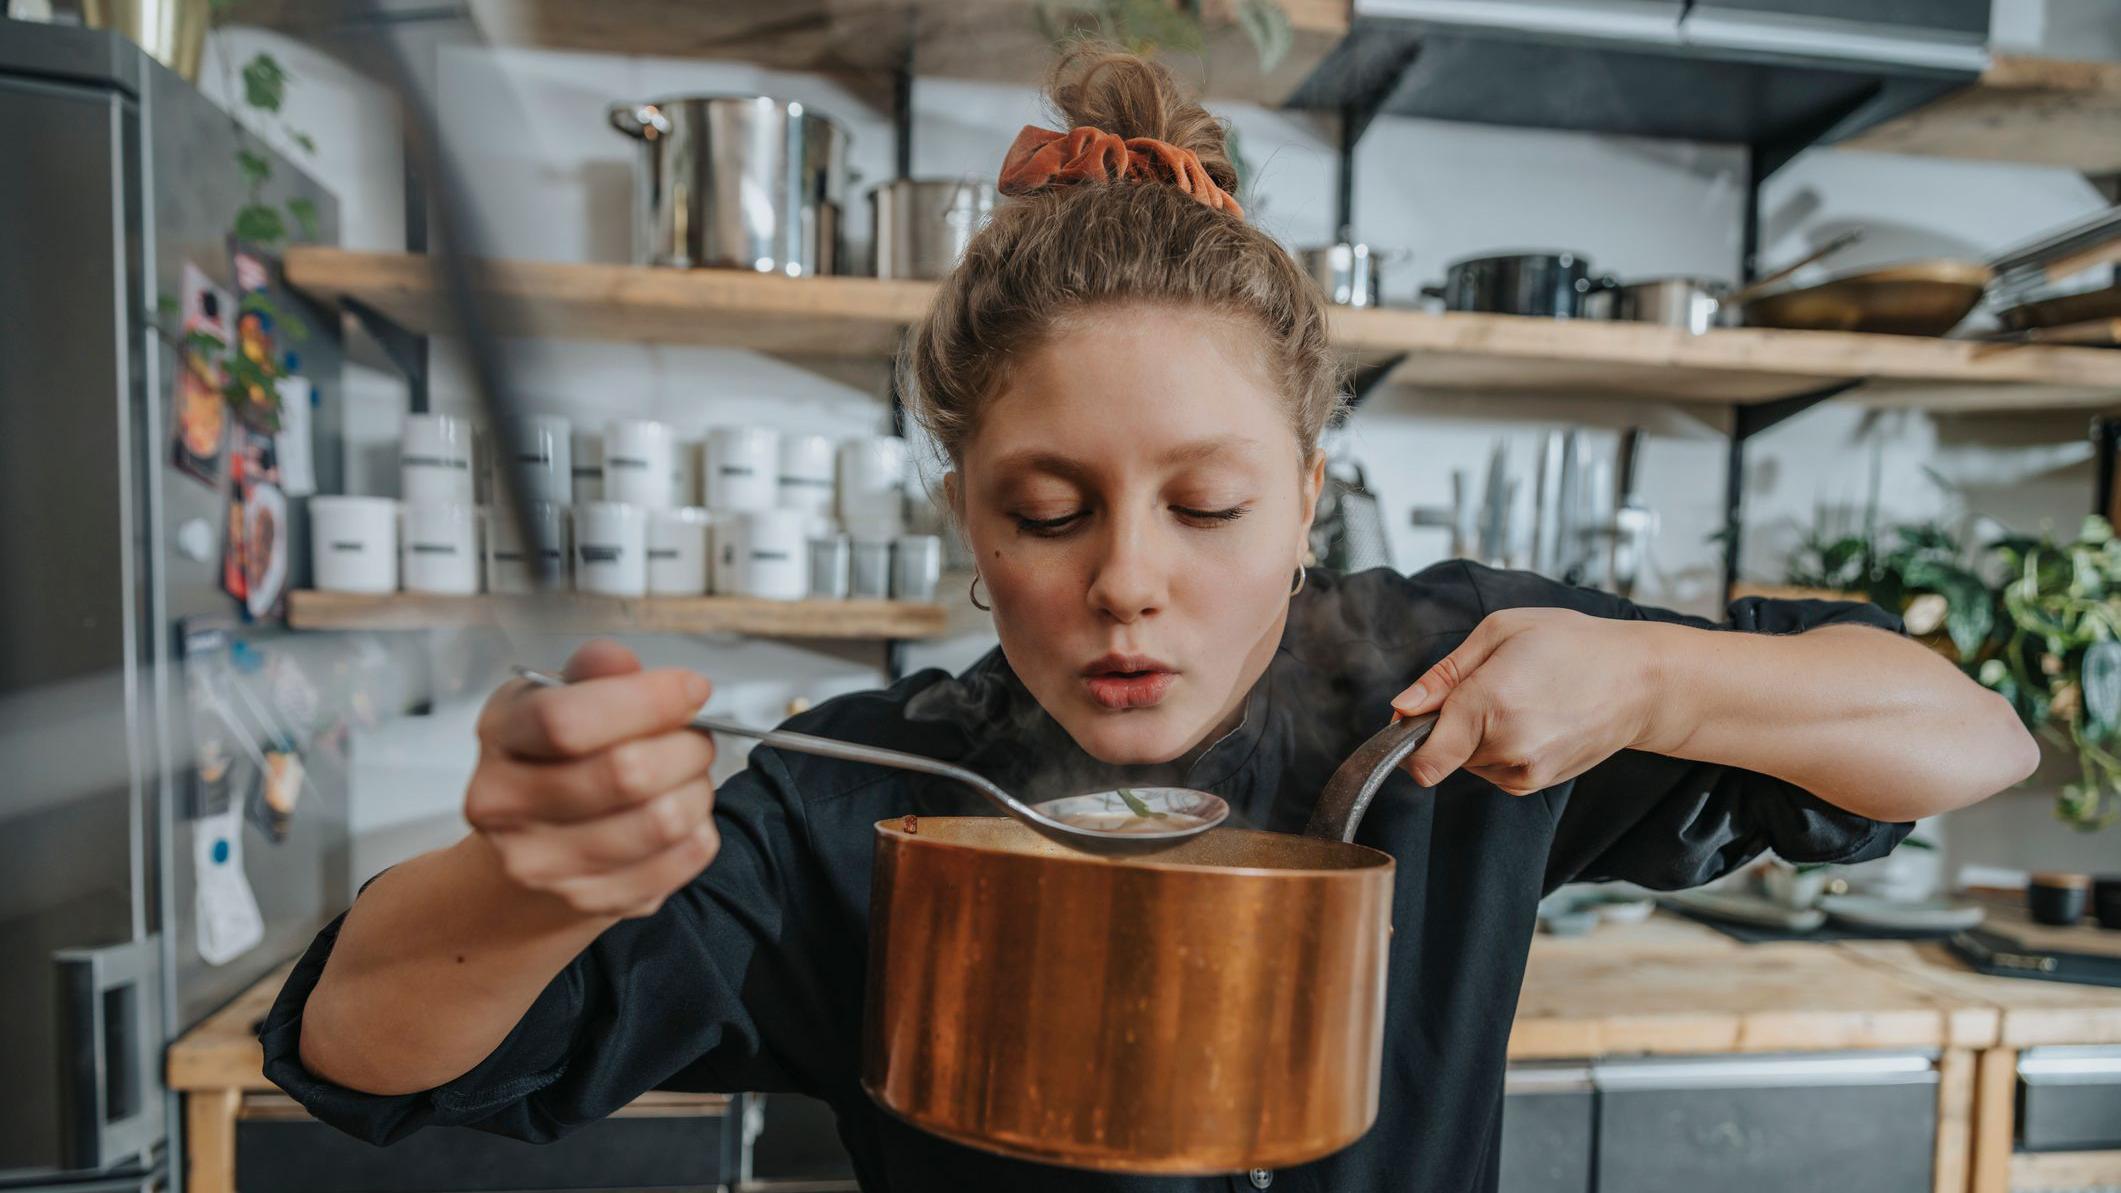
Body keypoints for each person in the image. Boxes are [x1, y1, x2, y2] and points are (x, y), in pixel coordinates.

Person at [263, 47, 2038, 1193]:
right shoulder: (857, 792)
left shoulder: (1449, 686)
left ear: (1309, 495)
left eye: (1207, 506)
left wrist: (1656, 671)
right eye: (1048, 508)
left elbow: (1967, 739)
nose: (1127, 577)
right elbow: (361, 1059)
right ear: (968, 519)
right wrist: (536, 873)